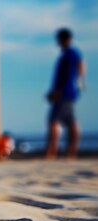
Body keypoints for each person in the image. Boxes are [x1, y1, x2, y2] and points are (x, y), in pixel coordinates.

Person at [45, 28, 85, 160]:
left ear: (63, 39)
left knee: (54, 121)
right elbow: (81, 66)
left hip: (64, 93)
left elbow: (79, 66)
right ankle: (70, 152)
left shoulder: (70, 54)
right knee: (70, 121)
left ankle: (54, 152)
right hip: (68, 92)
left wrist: (58, 91)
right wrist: (80, 82)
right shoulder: (69, 54)